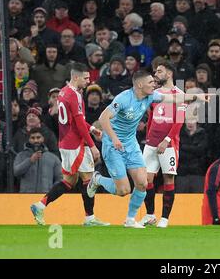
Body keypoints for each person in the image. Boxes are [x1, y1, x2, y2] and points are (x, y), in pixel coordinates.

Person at [87, 70, 211, 228]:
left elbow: (174, 98)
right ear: (140, 85)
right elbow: (103, 118)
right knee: (123, 190)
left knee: (142, 183)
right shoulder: (123, 99)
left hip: (131, 144)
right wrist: (114, 138)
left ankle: (130, 220)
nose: (155, 85)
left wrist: (197, 97)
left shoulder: (151, 96)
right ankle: (97, 179)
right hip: (113, 145)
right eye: (151, 82)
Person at [30, 63, 108, 227]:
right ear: (76, 77)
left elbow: (74, 120)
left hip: (65, 143)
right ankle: (90, 218)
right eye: (85, 78)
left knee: (69, 181)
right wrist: (92, 145)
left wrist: (92, 128)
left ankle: (40, 205)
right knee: (88, 179)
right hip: (76, 144)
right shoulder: (75, 95)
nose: (88, 81)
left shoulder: (63, 92)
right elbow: (79, 123)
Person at [139, 63, 186, 228]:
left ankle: (165, 218)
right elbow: (151, 117)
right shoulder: (154, 94)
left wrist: (167, 140)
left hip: (169, 144)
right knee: (145, 180)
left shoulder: (180, 94)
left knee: (168, 178)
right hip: (151, 143)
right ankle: (150, 215)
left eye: (160, 71)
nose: (156, 74)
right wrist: (148, 138)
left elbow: (179, 121)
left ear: (170, 73)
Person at [14, 127, 62, 193]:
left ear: (43, 138)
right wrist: (30, 161)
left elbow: (60, 178)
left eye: (38, 137)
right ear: (29, 139)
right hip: (26, 197)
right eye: (33, 138)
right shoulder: (21, 155)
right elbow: (16, 172)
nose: (36, 140)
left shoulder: (53, 158)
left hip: (45, 198)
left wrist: (52, 192)